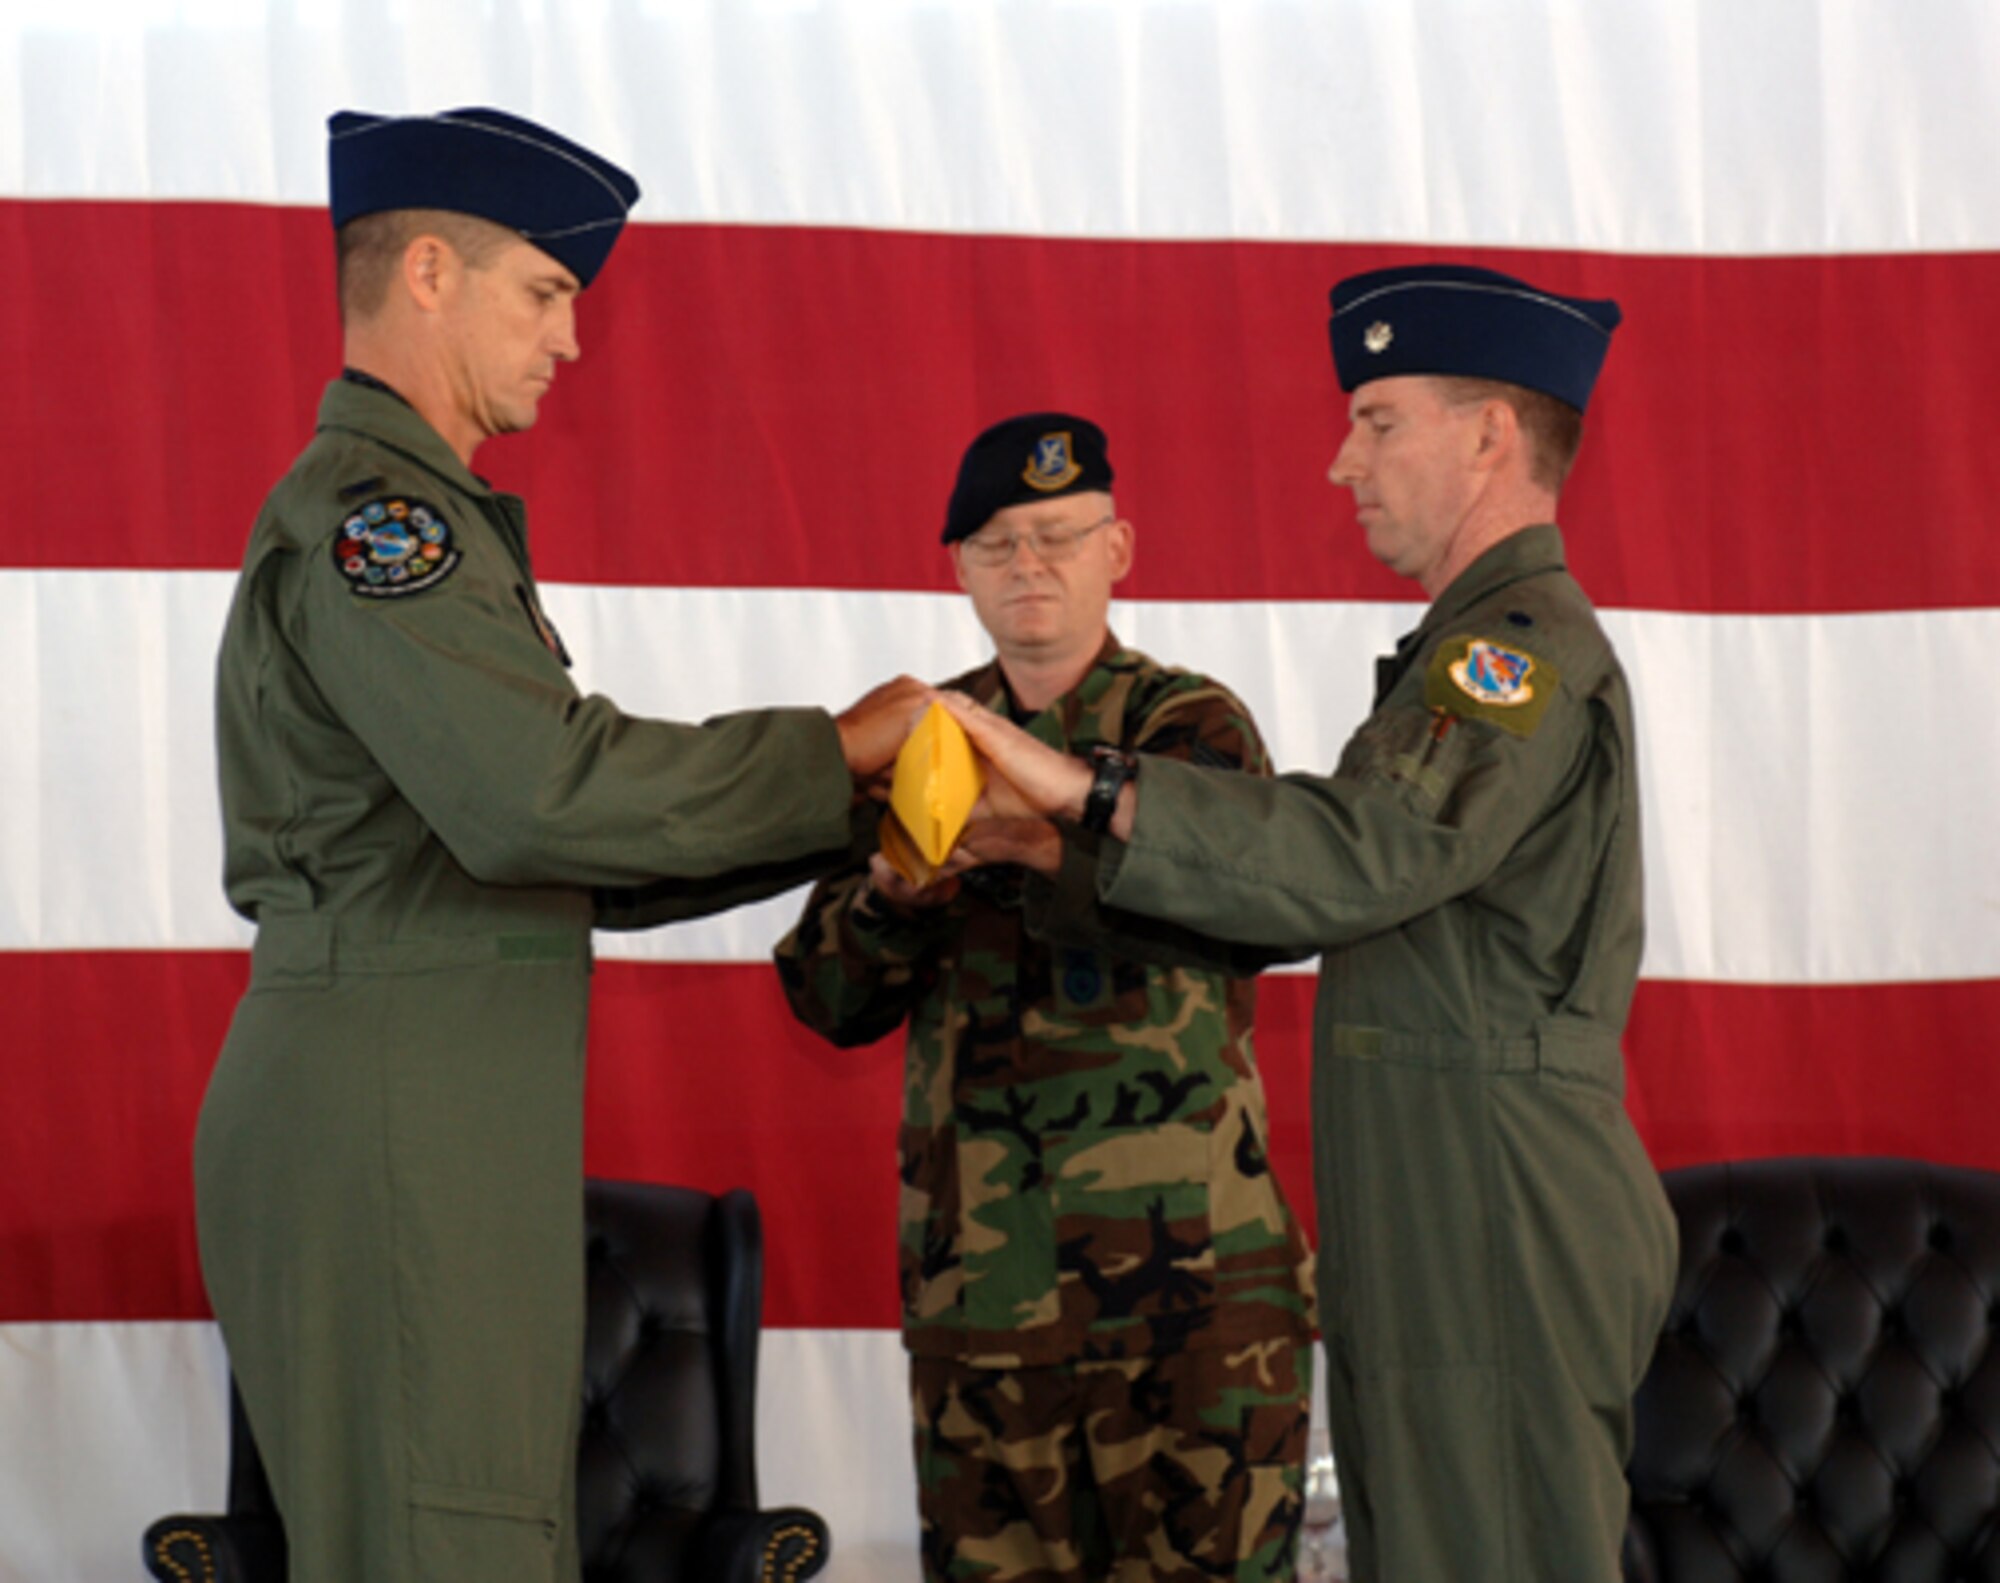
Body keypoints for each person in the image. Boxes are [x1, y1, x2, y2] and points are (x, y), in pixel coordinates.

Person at [195, 107, 926, 1583]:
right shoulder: (381, 523)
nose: (571, 340)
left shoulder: (427, 521)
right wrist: (831, 742)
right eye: (549, 292)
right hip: (398, 1098)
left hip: (428, 1086)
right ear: (427, 272)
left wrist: (867, 803)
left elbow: (568, 849)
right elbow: (542, 794)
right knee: (443, 1544)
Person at [939, 268, 1679, 1582]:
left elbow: (1362, 852)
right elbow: (1312, 886)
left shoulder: (1508, 652)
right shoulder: (1467, 647)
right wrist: (1065, 847)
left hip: (1489, 1193)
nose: (1345, 460)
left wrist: (1091, 779)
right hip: (1445, 1183)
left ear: (1491, 433)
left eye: (1380, 419)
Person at [773, 413, 1317, 1583]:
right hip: (986, 1290)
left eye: (1061, 536)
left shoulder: (1188, 727)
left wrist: (1022, 840)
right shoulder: (908, 740)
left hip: (1201, 1294)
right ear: (955, 567)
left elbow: (1232, 909)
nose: (1032, 565)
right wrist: (893, 897)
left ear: (1118, 546)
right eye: (1000, 542)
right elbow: (824, 995)